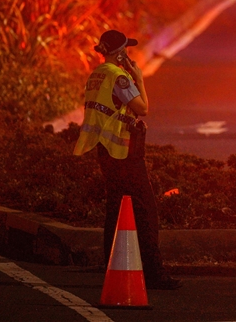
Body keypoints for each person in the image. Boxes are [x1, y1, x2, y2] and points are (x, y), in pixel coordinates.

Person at [73, 30, 180, 290]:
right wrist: (139, 78)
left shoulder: (96, 75)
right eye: (126, 50)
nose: (128, 54)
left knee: (115, 208)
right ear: (119, 53)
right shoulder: (119, 77)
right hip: (124, 151)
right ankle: (154, 273)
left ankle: (110, 264)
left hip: (104, 149)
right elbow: (142, 108)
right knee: (146, 210)